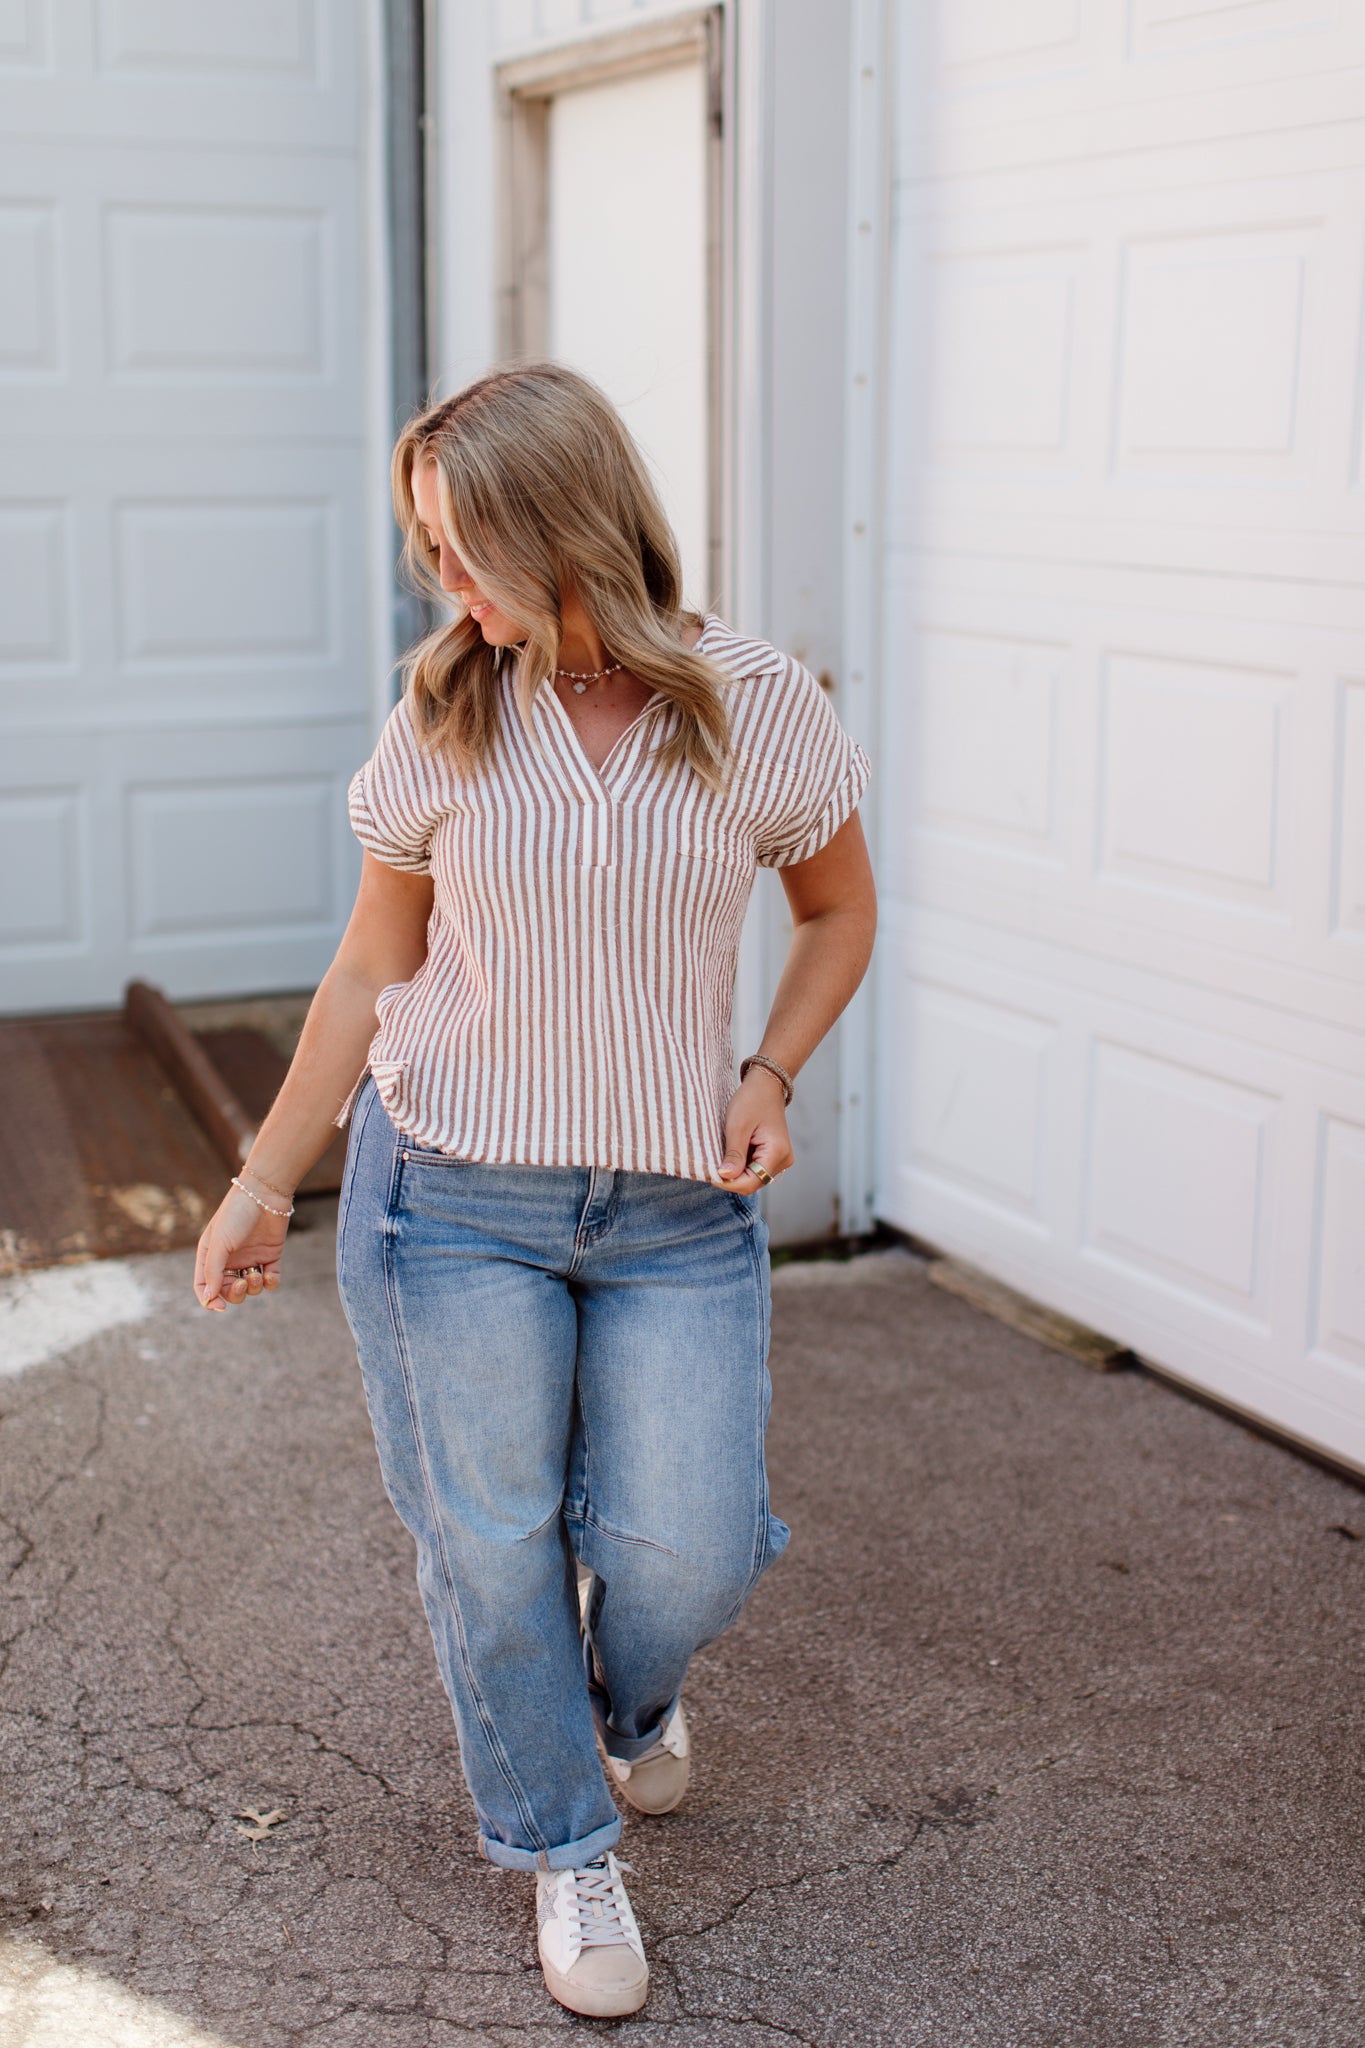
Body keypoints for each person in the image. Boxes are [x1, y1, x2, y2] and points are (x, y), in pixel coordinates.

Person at [193, 362, 876, 2019]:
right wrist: (263, 1181)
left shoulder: (753, 700)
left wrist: (768, 1073)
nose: (446, 586)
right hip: (449, 1202)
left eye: (460, 548)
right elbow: (372, 968)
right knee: (488, 1544)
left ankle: (622, 1708)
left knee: (686, 1554)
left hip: (672, 1213)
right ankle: (564, 1842)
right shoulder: (442, 708)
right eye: (426, 549)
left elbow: (838, 913)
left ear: (554, 521)